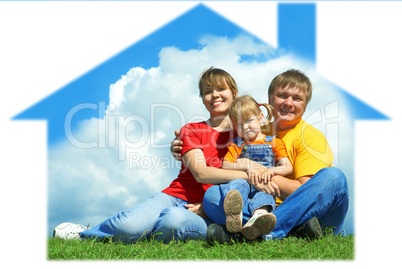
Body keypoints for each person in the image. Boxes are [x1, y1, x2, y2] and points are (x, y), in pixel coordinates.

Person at [53, 67, 271, 243]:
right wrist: (248, 172)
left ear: (234, 92)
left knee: (172, 223)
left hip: (213, 205)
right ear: (202, 98)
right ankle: (86, 234)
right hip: (176, 195)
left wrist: (210, 206)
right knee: (130, 224)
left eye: (220, 89)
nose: (214, 95)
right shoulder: (191, 129)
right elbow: (201, 173)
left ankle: (144, 234)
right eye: (207, 91)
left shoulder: (247, 134)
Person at [171, 69, 349, 243]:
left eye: (297, 98)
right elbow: (220, 153)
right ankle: (283, 230)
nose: (288, 103)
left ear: (305, 105)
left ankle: (264, 232)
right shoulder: (255, 130)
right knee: (212, 197)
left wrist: (261, 174)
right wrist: (182, 149)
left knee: (334, 178)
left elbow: (304, 193)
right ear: (269, 100)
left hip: (307, 212)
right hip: (261, 207)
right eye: (282, 96)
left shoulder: (310, 137)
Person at [218, 95, 293, 240]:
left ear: (261, 117)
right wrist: (246, 166)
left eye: (248, 121)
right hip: (245, 180)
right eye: (239, 124)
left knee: (264, 195)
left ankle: (259, 218)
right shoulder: (237, 144)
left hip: (264, 183)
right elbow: (226, 165)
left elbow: (287, 167)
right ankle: (235, 214)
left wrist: (272, 170)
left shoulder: (273, 142)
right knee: (237, 185)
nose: (245, 127)